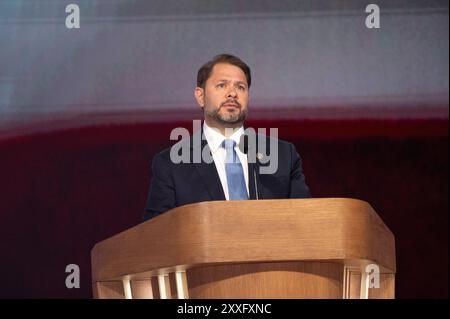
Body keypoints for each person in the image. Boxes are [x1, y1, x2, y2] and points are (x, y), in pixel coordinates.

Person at [144, 54, 310, 220]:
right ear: (200, 96)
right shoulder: (172, 164)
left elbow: (306, 221)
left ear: (248, 97)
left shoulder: (283, 155)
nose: (232, 93)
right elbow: (156, 235)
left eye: (240, 87)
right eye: (222, 85)